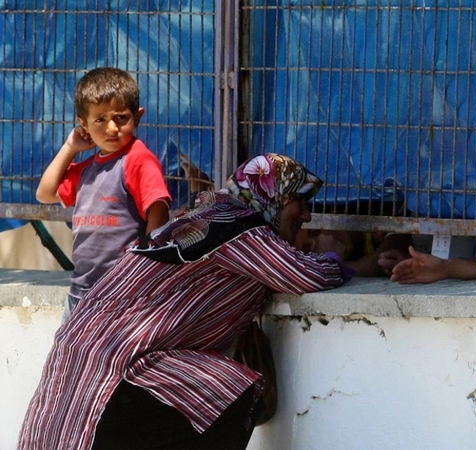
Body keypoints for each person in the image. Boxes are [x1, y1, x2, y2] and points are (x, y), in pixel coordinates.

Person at [17, 154, 354, 450]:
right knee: (232, 390)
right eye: (300, 201)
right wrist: (344, 260)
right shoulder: (238, 225)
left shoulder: (197, 219)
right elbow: (302, 274)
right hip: (121, 369)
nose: (307, 216)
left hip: (78, 363)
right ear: (273, 195)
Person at [35, 67, 171, 318]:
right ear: (83, 124)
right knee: (70, 354)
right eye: (99, 120)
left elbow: (158, 207)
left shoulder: (137, 159)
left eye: (121, 118)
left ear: (137, 118)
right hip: (81, 291)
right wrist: (70, 147)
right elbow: (45, 193)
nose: (111, 128)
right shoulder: (87, 171)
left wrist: (147, 262)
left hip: (121, 293)